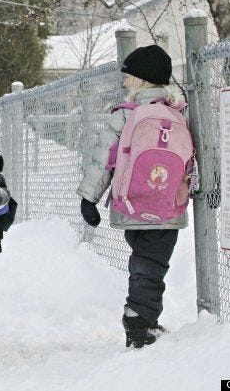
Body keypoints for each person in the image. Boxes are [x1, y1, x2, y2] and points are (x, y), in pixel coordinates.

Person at [76, 45, 187, 348]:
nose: (124, 82)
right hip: (168, 205)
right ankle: (140, 317)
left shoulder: (126, 115)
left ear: (140, 79)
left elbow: (104, 159)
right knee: (153, 263)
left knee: (143, 260)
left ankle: (142, 317)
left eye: (128, 76)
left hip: (131, 204)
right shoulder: (180, 112)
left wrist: (89, 198)